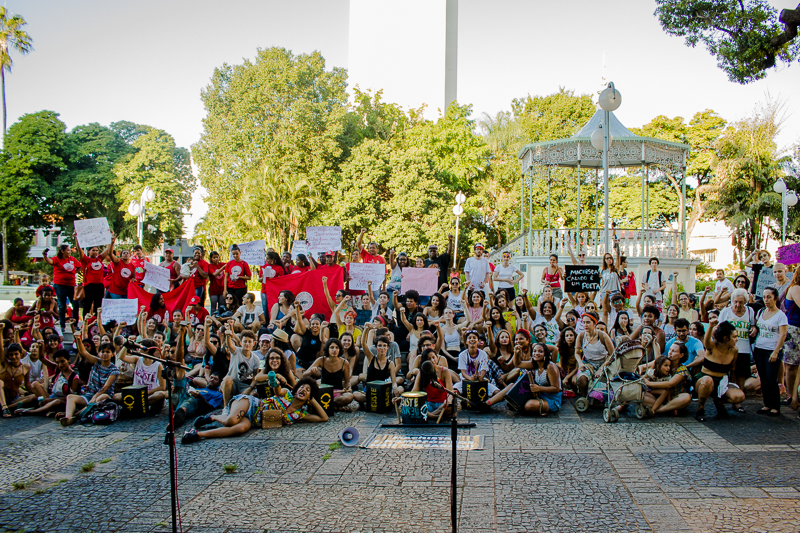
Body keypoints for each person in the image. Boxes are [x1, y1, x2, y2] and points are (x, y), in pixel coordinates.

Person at [182, 377, 328, 443]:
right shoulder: (286, 393)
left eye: (307, 390)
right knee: (231, 420)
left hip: (253, 420)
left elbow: (324, 418)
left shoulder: (300, 414)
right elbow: (278, 390)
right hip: (250, 403)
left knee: (239, 429)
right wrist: (275, 384)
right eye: (302, 386)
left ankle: (199, 434)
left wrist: (313, 398)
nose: (303, 389)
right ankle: (213, 417)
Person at [487, 342, 561, 415]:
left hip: (551, 399)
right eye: (534, 351)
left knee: (529, 405)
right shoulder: (535, 364)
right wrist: (516, 353)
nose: (536, 353)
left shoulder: (550, 367)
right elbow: (518, 364)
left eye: (540, 351)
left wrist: (539, 388)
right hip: (538, 394)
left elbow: (556, 389)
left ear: (545, 354)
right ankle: (487, 404)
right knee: (511, 386)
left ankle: (518, 405)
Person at [694, 319, 746, 421]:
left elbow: (733, 369)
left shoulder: (734, 350)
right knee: (707, 381)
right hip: (704, 380)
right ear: (726, 338)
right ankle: (701, 409)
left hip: (721, 381)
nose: (737, 339)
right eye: (734, 337)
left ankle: (719, 402)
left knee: (739, 397)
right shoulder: (712, 347)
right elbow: (706, 341)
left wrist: (731, 384)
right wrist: (711, 326)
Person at [60, 342, 119, 426]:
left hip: (104, 396)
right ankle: (68, 417)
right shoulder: (96, 361)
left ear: (112, 354)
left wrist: (94, 397)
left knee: (101, 397)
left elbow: (105, 387)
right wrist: (78, 338)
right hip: (90, 394)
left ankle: (76, 415)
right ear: (99, 353)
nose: (104, 354)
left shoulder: (114, 370)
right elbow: (83, 352)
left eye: (107, 352)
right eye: (102, 351)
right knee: (70, 397)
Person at [752, 287, 788, 416]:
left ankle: (775, 406)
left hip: (772, 349)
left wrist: (776, 351)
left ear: (775, 298)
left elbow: (783, 335)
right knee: (763, 378)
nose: (766, 300)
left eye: (769, 297)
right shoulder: (761, 312)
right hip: (759, 348)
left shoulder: (780, 315)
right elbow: (757, 326)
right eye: (764, 297)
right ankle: (767, 404)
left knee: (771, 378)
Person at [718, 288, 755, 412]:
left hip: (743, 348)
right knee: (726, 374)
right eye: (736, 302)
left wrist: (754, 329)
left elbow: (753, 325)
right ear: (732, 301)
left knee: (741, 375)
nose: (738, 305)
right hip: (727, 348)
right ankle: (722, 400)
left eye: (741, 302)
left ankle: (737, 402)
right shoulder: (726, 312)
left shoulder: (750, 311)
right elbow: (719, 328)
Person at [17, 350, 81, 417]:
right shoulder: (58, 369)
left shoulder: (74, 377)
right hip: (51, 397)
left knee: (57, 402)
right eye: (57, 362)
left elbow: (71, 398)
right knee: (35, 384)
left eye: (62, 361)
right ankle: (47, 408)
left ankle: (32, 412)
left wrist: (50, 400)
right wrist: (41, 346)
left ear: (68, 360)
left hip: (63, 402)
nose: (60, 365)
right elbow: (42, 358)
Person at [641, 342, 692, 415]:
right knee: (640, 395)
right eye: (670, 350)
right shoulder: (664, 362)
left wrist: (650, 383)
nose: (670, 352)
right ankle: (667, 409)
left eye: (673, 351)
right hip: (659, 397)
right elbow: (650, 367)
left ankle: (658, 410)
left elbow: (670, 384)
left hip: (674, 399)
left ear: (681, 355)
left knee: (687, 397)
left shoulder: (682, 369)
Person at [112, 343, 168, 408]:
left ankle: (136, 405)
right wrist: (126, 345)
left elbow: (162, 387)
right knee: (116, 397)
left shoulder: (158, 365)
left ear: (147, 350)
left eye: (140, 347)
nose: (138, 349)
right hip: (135, 393)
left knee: (160, 395)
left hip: (149, 394)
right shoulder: (137, 359)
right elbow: (121, 357)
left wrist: (146, 392)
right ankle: (140, 405)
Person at [304, 337, 354, 410]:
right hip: (323, 391)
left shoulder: (344, 363)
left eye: (337, 348)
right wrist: (311, 371)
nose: (334, 350)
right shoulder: (321, 360)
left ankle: (327, 405)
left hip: (337, 393)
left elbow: (347, 382)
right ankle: (334, 407)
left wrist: (348, 388)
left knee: (349, 397)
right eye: (332, 347)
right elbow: (305, 375)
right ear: (327, 349)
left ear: (340, 349)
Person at [574, 312, 615, 396]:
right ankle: (584, 398)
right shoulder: (581, 336)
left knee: (599, 391)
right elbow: (577, 353)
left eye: (588, 322)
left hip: (604, 363)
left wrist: (601, 368)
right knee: (582, 379)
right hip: (588, 363)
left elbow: (612, 354)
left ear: (594, 323)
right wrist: (580, 363)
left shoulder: (603, 336)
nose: (585, 325)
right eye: (584, 322)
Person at [353, 335, 403, 404]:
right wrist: (366, 329)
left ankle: (377, 401)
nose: (382, 348)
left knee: (401, 389)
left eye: (384, 346)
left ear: (387, 347)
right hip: (371, 390)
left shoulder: (390, 363)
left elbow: (394, 381)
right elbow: (363, 344)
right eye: (379, 346)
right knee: (356, 394)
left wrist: (395, 388)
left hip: (383, 390)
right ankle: (380, 401)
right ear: (376, 347)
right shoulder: (371, 358)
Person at [221, 327, 261, 408]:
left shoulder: (256, 359)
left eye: (249, 342)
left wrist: (249, 389)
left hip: (243, 384)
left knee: (254, 394)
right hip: (232, 382)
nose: (247, 344)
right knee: (227, 379)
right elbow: (230, 345)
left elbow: (255, 378)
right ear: (240, 342)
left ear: (253, 343)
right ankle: (226, 407)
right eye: (245, 341)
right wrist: (228, 336)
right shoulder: (236, 351)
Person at [452, 330, 499, 399]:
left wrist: (481, 376)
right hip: (465, 381)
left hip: (480, 381)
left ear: (478, 341)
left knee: (497, 392)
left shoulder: (483, 354)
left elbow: (484, 369)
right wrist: (470, 378)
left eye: (474, 337)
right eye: (470, 338)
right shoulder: (462, 355)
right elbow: (463, 372)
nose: (472, 339)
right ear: (466, 341)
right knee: (454, 390)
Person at [42, 244, 80, 328]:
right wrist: (45, 256)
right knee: (62, 306)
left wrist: (74, 272)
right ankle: (62, 325)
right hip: (60, 285)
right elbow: (49, 261)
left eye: (70, 250)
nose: (69, 252)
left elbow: (80, 266)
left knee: (75, 304)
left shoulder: (72, 259)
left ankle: (75, 324)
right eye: (67, 250)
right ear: (62, 251)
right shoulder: (56, 259)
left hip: (71, 285)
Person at [0, 342, 35, 417]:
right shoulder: (4, 365)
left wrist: (32, 393)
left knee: (34, 397)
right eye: (11, 355)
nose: (13, 357)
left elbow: (27, 384)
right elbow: (1, 350)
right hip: (1, 398)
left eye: (16, 354)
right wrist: (1, 332)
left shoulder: (26, 367)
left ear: (21, 354)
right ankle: (4, 407)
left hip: (14, 399)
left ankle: (9, 407)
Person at [74, 236, 105, 318]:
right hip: (89, 285)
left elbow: (108, 250)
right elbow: (79, 250)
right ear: (89, 251)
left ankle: (96, 322)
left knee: (98, 305)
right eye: (93, 250)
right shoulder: (85, 260)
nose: (95, 252)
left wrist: (111, 239)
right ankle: (85, 322)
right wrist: (76, 238)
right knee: (87, 305)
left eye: (96, 250)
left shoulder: (99, 259)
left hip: (99, 285)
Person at [206, 251, 226, 315]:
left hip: (222, 289)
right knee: (213, 307)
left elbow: (229, 264)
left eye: (217, 257)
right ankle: (213, 320)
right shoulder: (210, 266)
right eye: (214, 257)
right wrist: (222, 268)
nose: (216, 259)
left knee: (221, 306)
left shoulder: (220, 264)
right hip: (213, 289)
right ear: (211, 259)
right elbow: (214, 274)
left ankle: (221, 319)